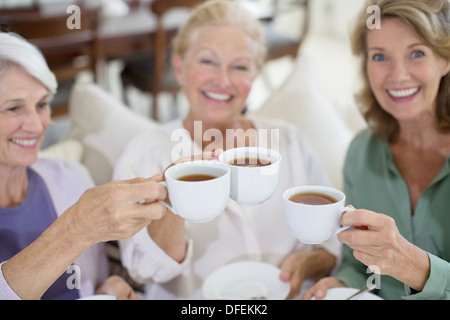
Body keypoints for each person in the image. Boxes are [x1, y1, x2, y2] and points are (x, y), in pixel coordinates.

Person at [114, 0, 340, 300]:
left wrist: (312, 263)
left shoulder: (290, 142)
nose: (222, 80)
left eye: (239, 66)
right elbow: (142, 271)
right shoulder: (144, 153)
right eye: (208, 62)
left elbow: (334, 243)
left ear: (256, 73)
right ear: (179, 67)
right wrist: (174, 197)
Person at [0, 32, 170, 300]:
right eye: (13, 108)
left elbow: (93, 280)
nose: (36, 125)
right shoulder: (80, 212)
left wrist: (108, 287)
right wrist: (75, 229)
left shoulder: (70, 176)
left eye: (42, 104)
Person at [303, 0, 450, 300]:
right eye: (380, 56)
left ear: (445, 59)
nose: (397, 74)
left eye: (417, 53)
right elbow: (359, 266)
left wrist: (413, 265)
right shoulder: (361, 153)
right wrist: (342, 284)